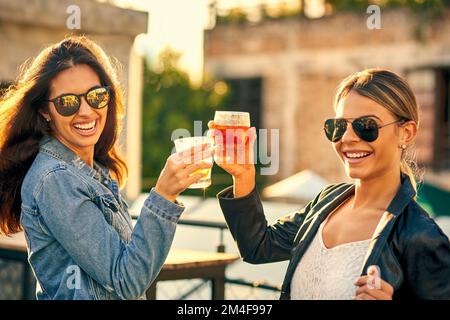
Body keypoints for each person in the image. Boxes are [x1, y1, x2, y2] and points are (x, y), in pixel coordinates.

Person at [0, 36, 212, 300]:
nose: (87, 112)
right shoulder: (56, 179)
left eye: (96, 96)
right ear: (45, 111)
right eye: (68, 103)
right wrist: (163, 197)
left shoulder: (94, 170)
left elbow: (131, 266)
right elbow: (126, 281)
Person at [209, 68, 450, 300]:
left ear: (406, 133)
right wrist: (243, 176)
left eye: (366, 126)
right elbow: (258, 247)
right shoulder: (326, 202)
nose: (347, 138)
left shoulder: (421, 236)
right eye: (338, 127)